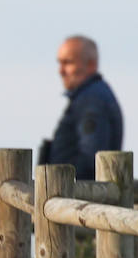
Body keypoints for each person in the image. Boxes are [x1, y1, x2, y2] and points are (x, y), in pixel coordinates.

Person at [48, 35, 123, 180]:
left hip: (80, 197)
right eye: (60, 63)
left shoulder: (92, 100)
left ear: (91, 65)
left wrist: (62, 183)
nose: (61, 71)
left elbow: (91, 159)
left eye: (68, 62)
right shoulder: (90, 96)